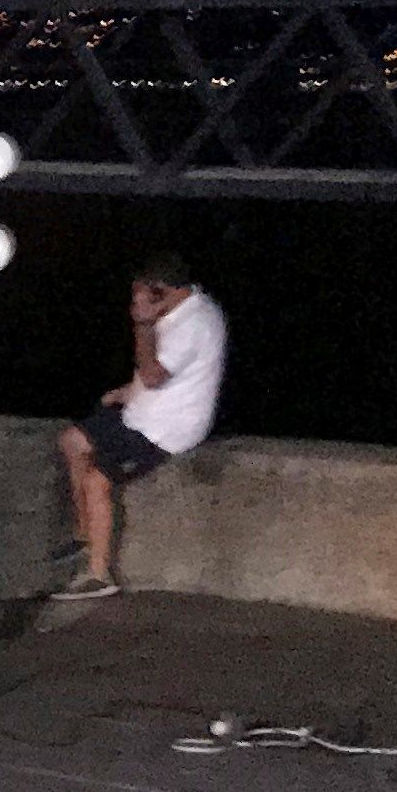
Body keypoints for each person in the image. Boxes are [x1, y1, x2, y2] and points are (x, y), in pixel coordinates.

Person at [53, 255, 229, 602]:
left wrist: (143, 325)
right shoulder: (184, 306)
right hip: (143, 410)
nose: (135, 303)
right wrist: (125, 392)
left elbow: (152, 373)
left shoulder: (195, 323)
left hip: (166, 428)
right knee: (72, 441)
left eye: (142, 296)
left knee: (97, 480)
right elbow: (160, 378)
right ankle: (85, 534)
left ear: (162, 292)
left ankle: (98, 574)